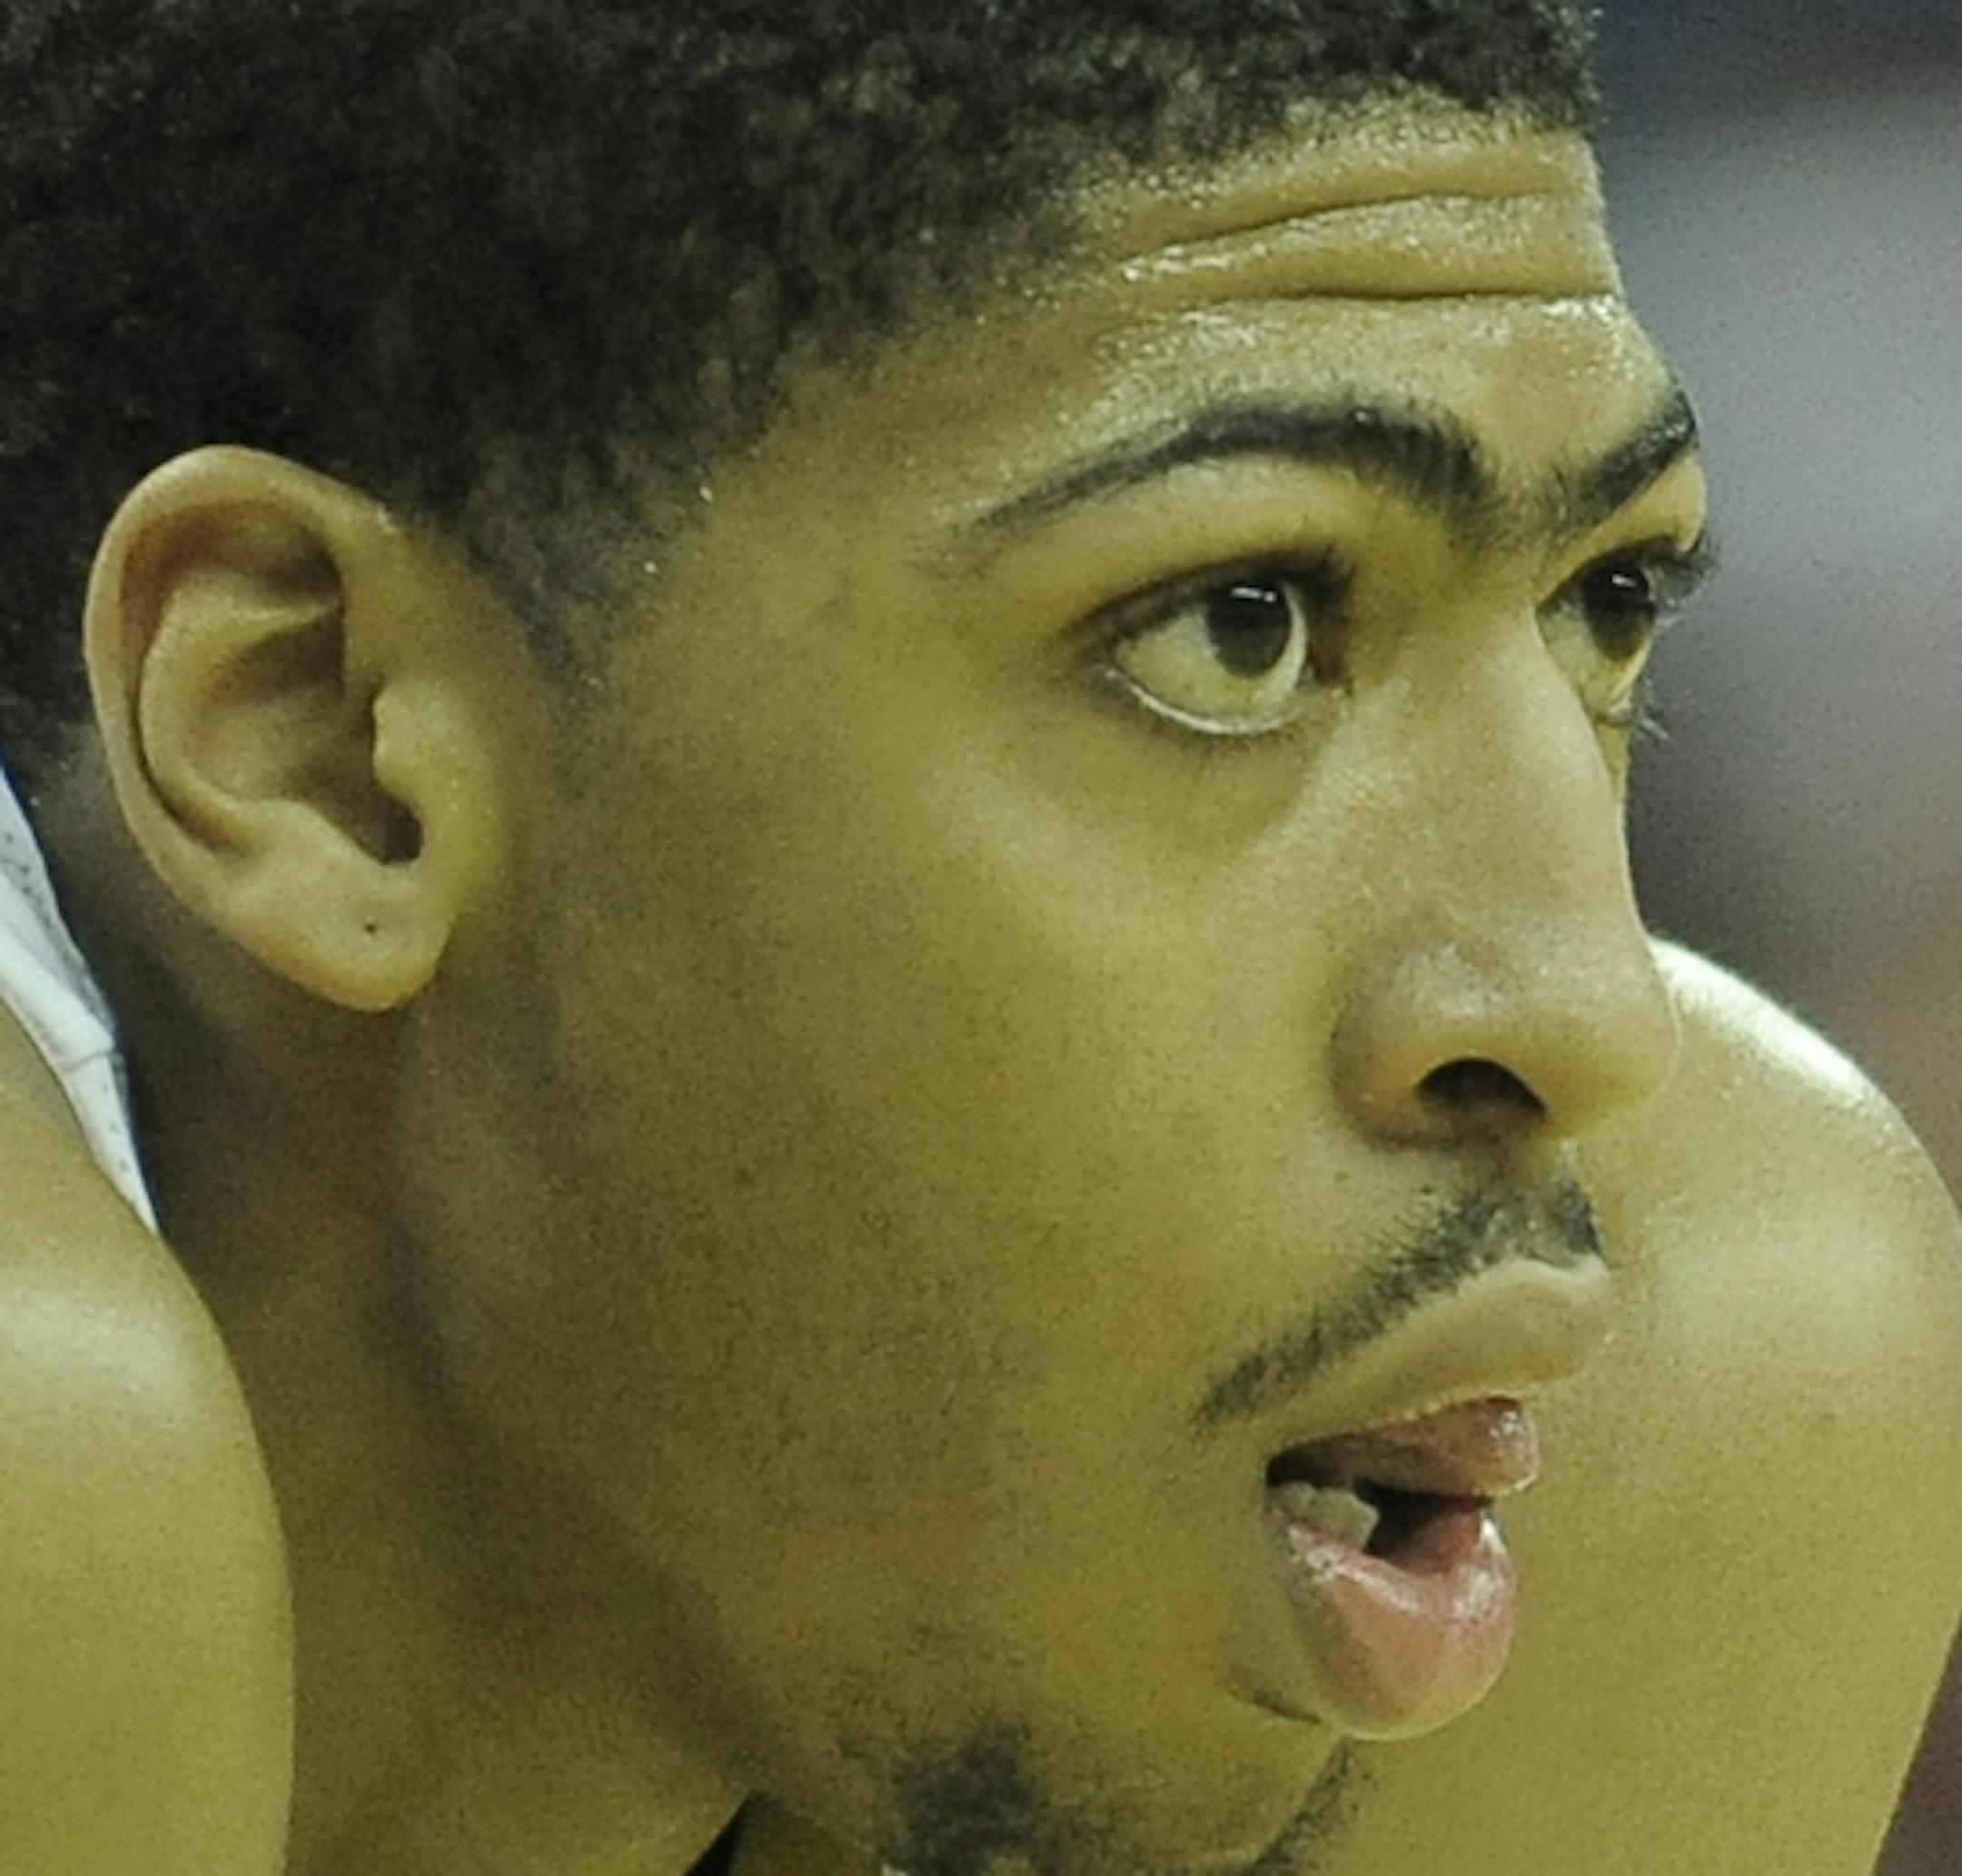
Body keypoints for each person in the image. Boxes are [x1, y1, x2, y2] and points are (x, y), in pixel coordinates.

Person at [2, 4, 1958, 1872]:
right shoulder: (39, 1438)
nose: (1588, 1014)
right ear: (326, 741)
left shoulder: (1709, 1371)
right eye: (1240, 632)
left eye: (1610, 605)